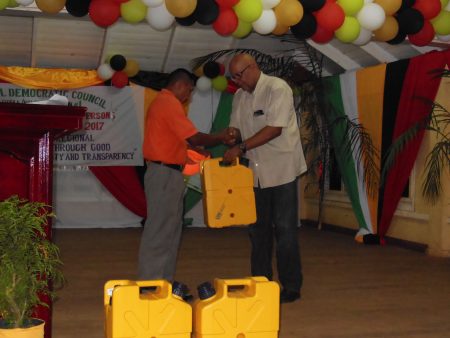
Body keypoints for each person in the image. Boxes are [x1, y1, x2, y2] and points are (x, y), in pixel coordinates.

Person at [223, 53, 307, 303]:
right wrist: (228, 137)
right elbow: (236, 129)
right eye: (233, 77)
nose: (237, 81)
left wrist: (242, 147)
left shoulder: (277, 88)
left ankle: (291, 286)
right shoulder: (239, 97)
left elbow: (274, 128)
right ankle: (261, 282)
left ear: (254, 67)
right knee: (257, 230)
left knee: (285, 230)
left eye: (240, 75)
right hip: (255, 173)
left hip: (281, 170)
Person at [138, 68, 230, 282]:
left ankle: (164, 283)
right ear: (180, 84)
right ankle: (151, 283)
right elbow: (195, 137)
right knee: (160, 230)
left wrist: (193, 152)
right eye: (189, 89)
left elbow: (178, 141)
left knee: (171, 231)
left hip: (168, 174)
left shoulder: (165, 102)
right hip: (164, 175)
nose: (189, 94)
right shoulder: (169, 103)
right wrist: (221, 137)